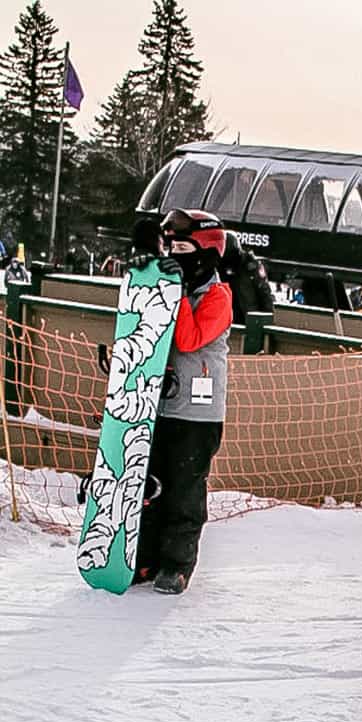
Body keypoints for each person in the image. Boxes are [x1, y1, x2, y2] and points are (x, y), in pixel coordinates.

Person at [133, 209, 232, 594]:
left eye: (183, 247)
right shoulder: (174, 285)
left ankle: (176, 564)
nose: (176, 253)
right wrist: (147, 274)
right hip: (159, 406)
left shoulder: (218, 297)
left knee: (184, 491)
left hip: (197, 414)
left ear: (205, 252)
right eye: (170, 246)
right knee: (151, 488)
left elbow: (188, 339)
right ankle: (145, 557)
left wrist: (172, 284)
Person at [220, 230, 274, 325]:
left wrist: (267, 321)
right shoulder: (219, 265)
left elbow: (265, 294)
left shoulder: (250, 266)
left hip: (248, 317)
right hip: (226, 318)